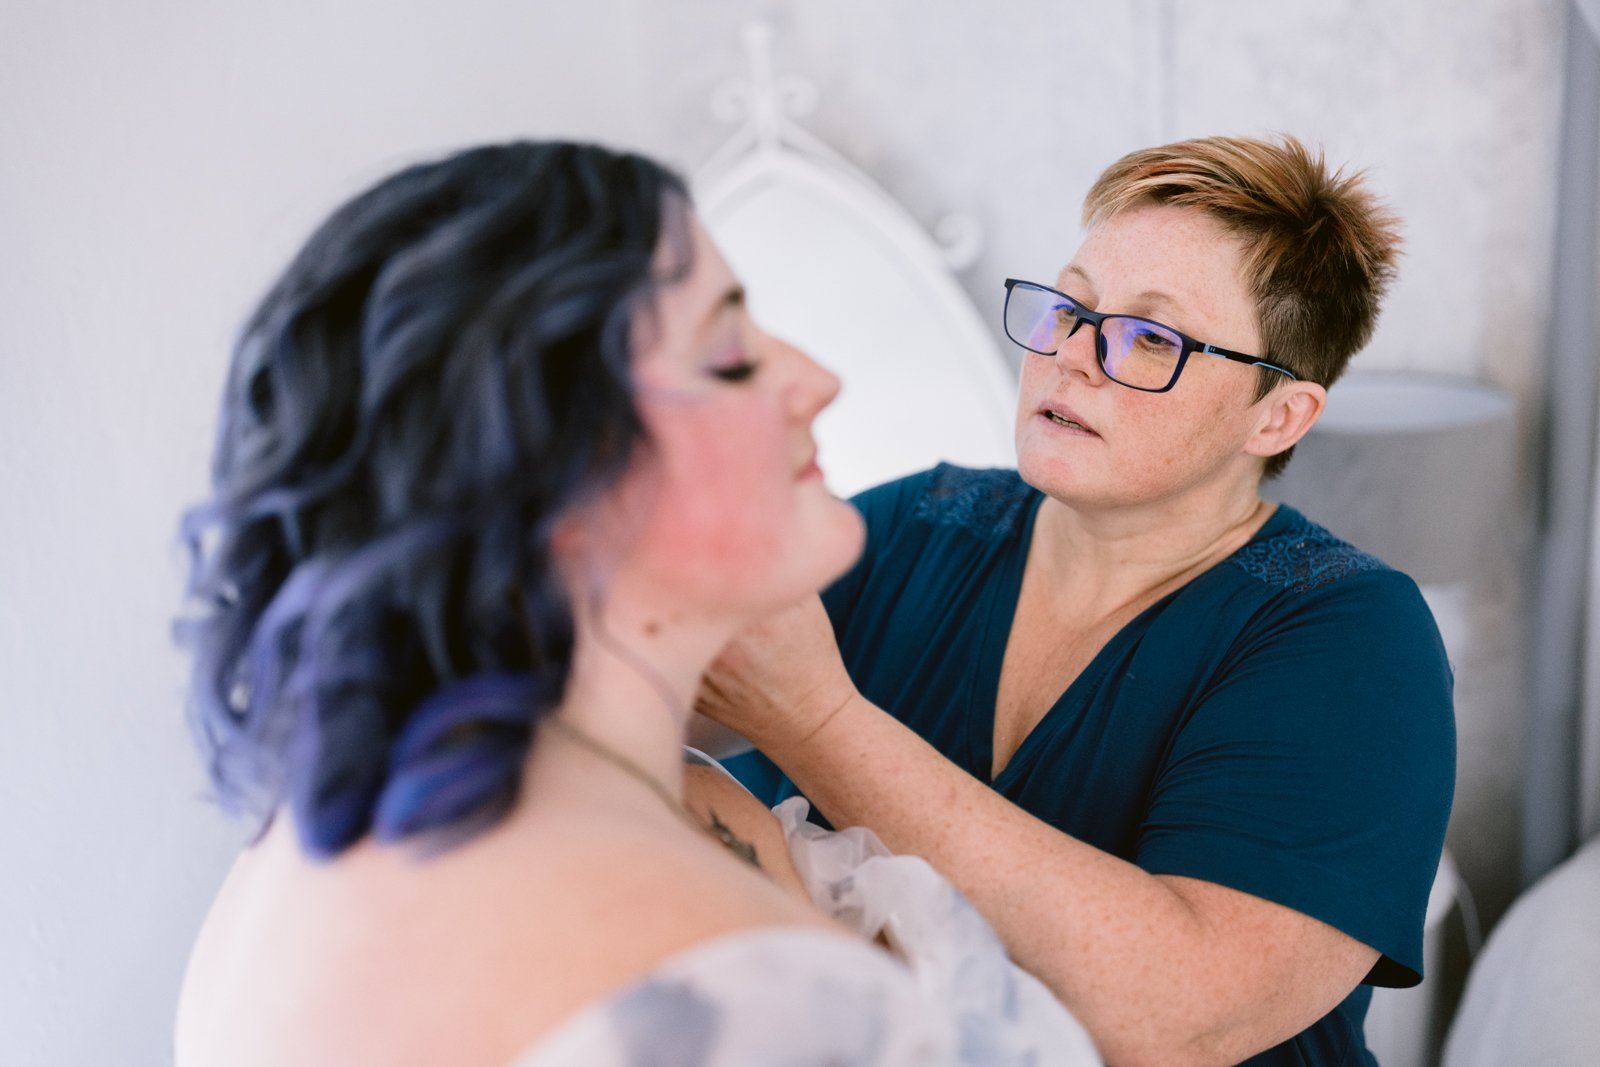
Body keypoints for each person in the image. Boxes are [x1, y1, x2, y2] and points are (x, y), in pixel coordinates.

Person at [171, 140, 1100, 1066]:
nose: (816, 380)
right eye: (731, 356)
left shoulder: (320, 835)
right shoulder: (735, 983)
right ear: (554, 477)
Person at [703, 134, 1456, 1067]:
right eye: (1070, 307)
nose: (1072, 356)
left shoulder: (1351, 640)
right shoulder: (922, 520)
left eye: (1150, 337)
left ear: (1278, 415)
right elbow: (642, 682)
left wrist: (814, 719)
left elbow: (1183, 1015)